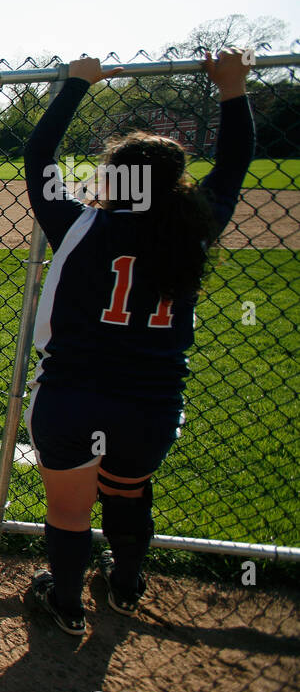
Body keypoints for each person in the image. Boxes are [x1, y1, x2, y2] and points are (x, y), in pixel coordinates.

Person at [23, 51, 254, 636]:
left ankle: (68, 603)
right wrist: (232, 89)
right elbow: (232, 164)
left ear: (111, 180)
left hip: (71, 393)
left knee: (70, 510)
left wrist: (76, 83)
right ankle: (126, 583)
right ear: (177, 184)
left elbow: (39, 156)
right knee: (127, 491)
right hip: (150, 399)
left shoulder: (77, 224)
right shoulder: (196, 228)